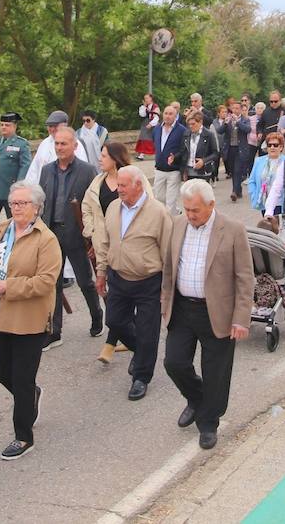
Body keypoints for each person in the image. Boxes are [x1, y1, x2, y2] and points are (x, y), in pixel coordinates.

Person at [160, 180, 253, 450]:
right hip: (182, 309)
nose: (190, 215)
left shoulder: (233, 230)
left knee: (216, 372)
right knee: (174, 363)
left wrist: (241, 317)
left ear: (211, 205)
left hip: (218, 311)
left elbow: (245, 278)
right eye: (187, 209)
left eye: (195, 210)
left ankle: (209, 422)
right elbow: (169, 268)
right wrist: (165, 303)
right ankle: (197, 398)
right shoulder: (177, 225)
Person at [0, 181, 62, 461]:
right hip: (0, 313)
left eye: (22, 203)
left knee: (22, 378)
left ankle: (24, 436)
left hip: (29, 317)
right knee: (1, 370)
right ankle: (32, 396)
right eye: (13, 203)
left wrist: (8, 287)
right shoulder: (2, 230)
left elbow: (46, 281)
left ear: (37, 207)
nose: (15, 208)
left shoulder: (46, 239)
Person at [92, 166, 173, 401]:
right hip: (118, 278)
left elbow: (168, 253)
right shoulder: (114, 207)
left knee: (148, 332)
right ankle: (142, 352)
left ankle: (141, 377)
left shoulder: (158, 212)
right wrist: (101, 273)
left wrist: (166, 289)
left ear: (138, 185)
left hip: (149, 281)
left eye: (124, 185)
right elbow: (105, 243)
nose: (119, 189)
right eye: (118, 184)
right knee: (115, 322)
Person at [40, 127, 101, 348]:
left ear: (74, 146)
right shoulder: (47, 170)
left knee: (85, 280)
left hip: (77, 234)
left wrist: (94, 237)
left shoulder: (87, 171)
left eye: (64, 143)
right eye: (56, 144)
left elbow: (95, 204)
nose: (59, 148)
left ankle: (96, 315)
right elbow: (41, 202)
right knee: (52, 284)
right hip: (51, 234)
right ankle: (55, 331)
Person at [84, 141, 133, 363]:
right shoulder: (97, 183)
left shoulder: (132, 178)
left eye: (104, 156)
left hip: (129, 247)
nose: (99, 159)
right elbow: (87, 208)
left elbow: (148, 206)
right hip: (104, 247)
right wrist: (92, 232)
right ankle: (118, 340)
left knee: (122, 297)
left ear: (115, 158)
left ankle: (114, 342)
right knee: (112, 296)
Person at [0, 112, 31, 248]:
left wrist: (19, 186)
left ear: (14, 126)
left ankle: (14, 246)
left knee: (15, 220)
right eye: (2, 125)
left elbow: (25, 165)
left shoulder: (21, 144)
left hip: (10, 190)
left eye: (7, 125)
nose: (3, 127)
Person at [24, 111, 91, 184]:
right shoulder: (44, 144)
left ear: (65, 125)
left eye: (55, 126)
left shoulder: (75, 143)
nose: (52, 129)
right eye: (50, 126)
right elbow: (34, 170)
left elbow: (82, 169)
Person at [151, 102, 188, 216]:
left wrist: (175, 157)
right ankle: (174, 213)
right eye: (166, 113)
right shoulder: (157, 129)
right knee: (158, 197)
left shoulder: (181, 130)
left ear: (175, 115)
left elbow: (184, 149)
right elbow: (155, 144)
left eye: (170, 114)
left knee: (171, 200)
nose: (167, 116)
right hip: (159, 169)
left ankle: (170, 225)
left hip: (174, 170)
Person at [217, 101, 253, 202]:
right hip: (230, 149)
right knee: (233, 171)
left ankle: (234, 191)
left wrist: (238, 122)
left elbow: (248, 130)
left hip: (240, 149)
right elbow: (219, 131)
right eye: (234, 108)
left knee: (237, 170)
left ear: (241, 109)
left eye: (237, 108)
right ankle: (238, 190)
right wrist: (225, 123)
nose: (235, 110)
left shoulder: (245, 120)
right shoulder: (228, 120)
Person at [246, 131, 285, 216]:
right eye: (269, 145)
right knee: (267, 227)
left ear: (281, 147)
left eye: (275, 145)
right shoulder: (259, 161)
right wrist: (254, 195)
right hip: (264, 201)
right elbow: (252, 181)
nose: (272, 147)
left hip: (280, 203)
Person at [180, 110, 221, 184]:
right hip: (189, 171)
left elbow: (215, 153)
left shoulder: (209, 135)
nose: (191, 126)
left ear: (200, 122)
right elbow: (183, 152)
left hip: (203, 172)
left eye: (193, 124)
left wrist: (203, 161)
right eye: (189, 124)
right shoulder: (186, 134)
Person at [135, 94, 160, 161]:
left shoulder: (155, 107)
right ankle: (141, 155)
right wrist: (144, 107)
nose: (146, 100)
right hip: (145, 123)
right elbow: (142, 115)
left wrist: (151, 124)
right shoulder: (144, 107)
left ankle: (158, 154)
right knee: (143, 138)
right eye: (145, 98)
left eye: (147, 98)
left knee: (154, 139)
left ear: (151, 98)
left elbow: (157, 117)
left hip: (153, 124)